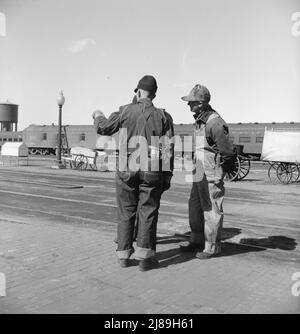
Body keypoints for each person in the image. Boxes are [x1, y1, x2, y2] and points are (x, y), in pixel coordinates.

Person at [92, 75, 174, 271]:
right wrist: (167, 175)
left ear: (138, 92)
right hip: (152, 169)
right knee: (148, 210)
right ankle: (145, 258)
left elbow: (103, 127)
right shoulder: (164, 116)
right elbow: (168, 149)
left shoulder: (124, 111)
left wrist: (97, 115)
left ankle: (123, 256)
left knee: (126, 210)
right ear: (154, 94)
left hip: (126, 167)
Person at [179, 84, 235, 259]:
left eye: (192, 102)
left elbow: (227, 152)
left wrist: (221, 170)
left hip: (210, 174)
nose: (189, 105)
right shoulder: (201, 120)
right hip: (199, 172)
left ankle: (212, 247)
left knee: (211, 209)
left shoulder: (215, 123)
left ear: (202, 103)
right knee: (194, 207)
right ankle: (196, 240)